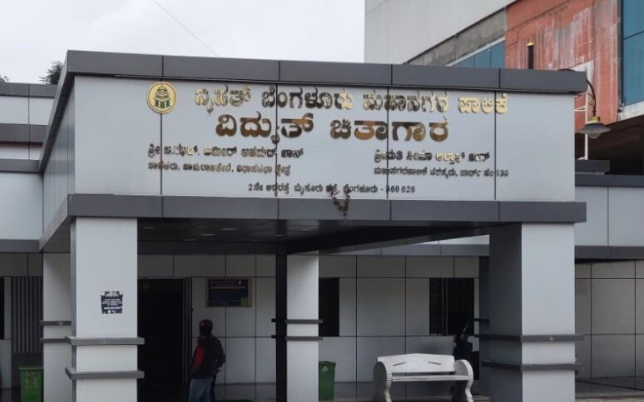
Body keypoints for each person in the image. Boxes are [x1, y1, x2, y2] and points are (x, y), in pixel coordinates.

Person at [189, 319, 225, 402]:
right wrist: (215, 368)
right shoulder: (216, 342)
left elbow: (197, 364)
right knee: (207, 397)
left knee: (194, 398)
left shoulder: (202, 346)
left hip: (199, 377)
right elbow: (222, 358)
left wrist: (190, 374)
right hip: (210, 376)